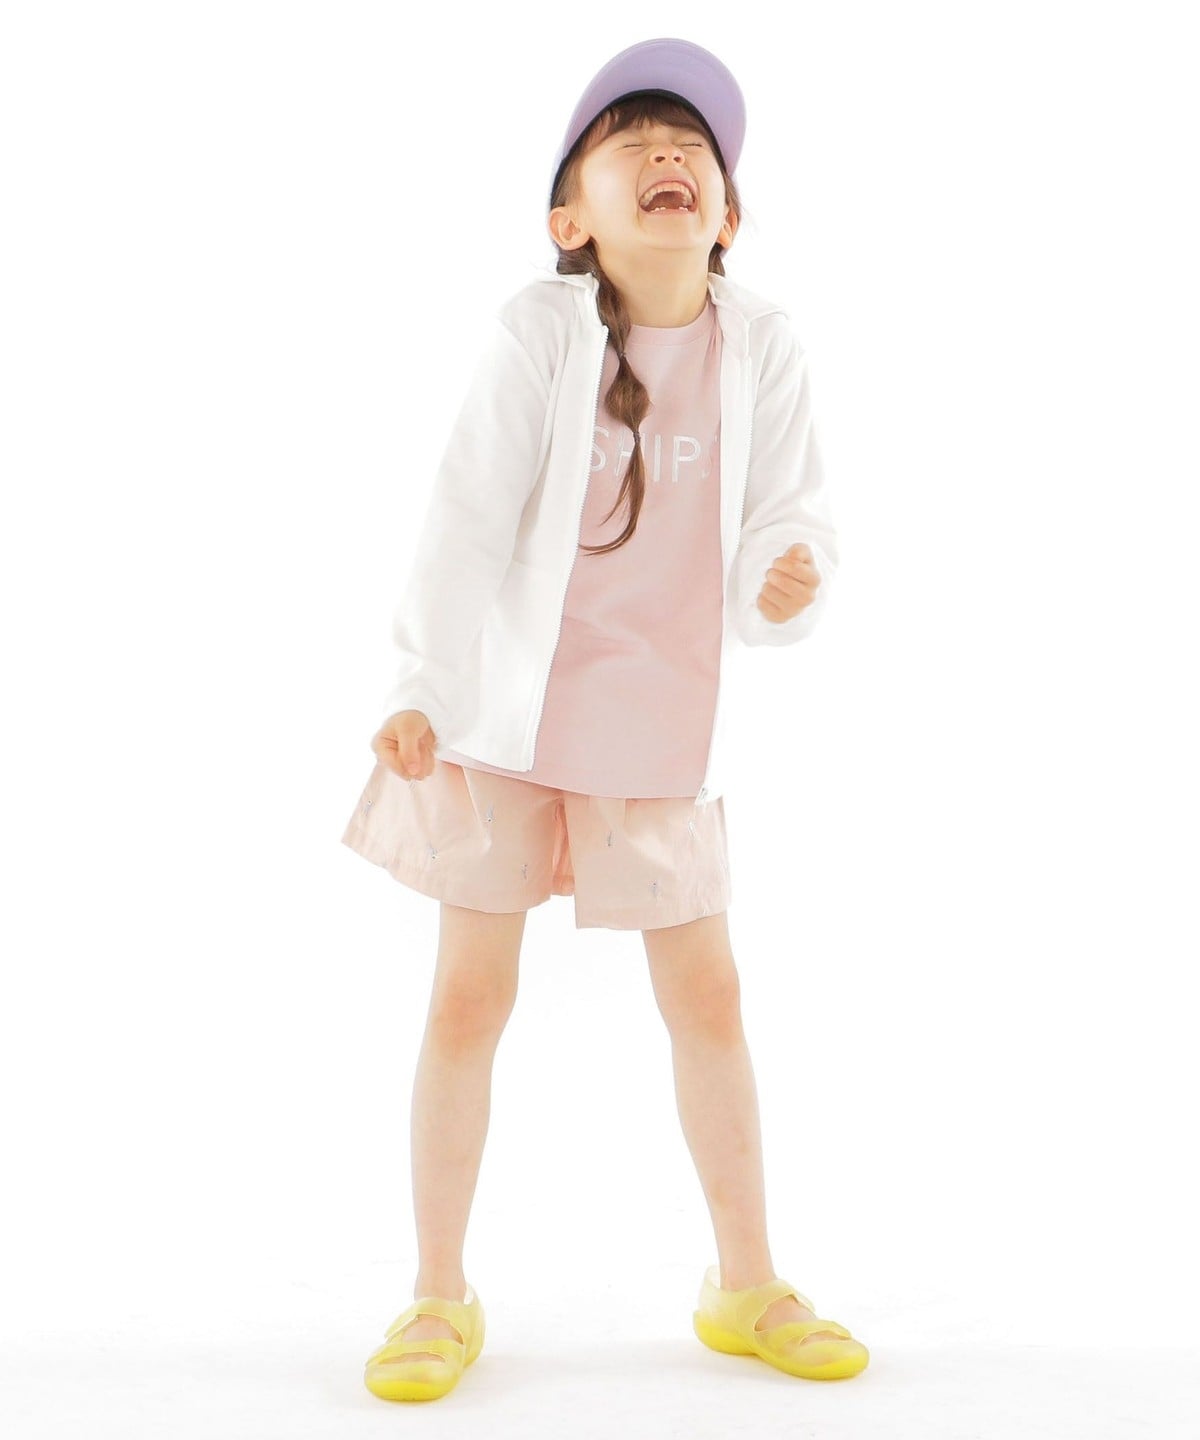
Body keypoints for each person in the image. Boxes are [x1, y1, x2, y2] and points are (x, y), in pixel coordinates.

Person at [343, 37, 869, 1401]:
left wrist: (788, 576)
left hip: (660, 730)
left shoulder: (766, 345)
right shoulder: (539, 333)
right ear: (570, 218)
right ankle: (437, 1292)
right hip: (503, 725)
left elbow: (790, 521)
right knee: (470, 997)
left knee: (710, 995)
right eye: (630, 142)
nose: (668, 155)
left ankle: (746, 1281)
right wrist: (419, 685)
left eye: (692, 146)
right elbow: (463, 517)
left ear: (730, 214)